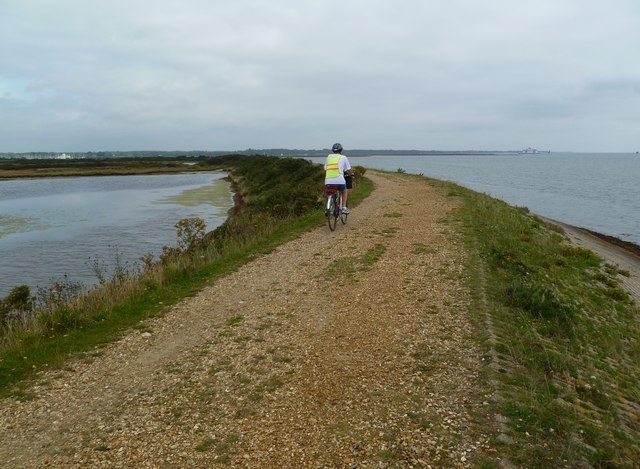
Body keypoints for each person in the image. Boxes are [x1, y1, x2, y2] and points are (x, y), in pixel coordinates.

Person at [324, 143, 353, 214]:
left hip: (328, 181)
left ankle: (328, 207)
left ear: (332, 150)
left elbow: (325, 169)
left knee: (329, 192)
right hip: (339, 180)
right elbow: (348, 170)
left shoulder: (328, 157)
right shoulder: (343, 157)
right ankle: (343, 207)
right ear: (341, 150)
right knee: (344, 191)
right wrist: (351, 174)